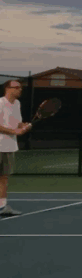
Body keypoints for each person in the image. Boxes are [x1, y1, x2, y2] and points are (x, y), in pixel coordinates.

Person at [0, 79, 31, 217]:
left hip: (9, 146)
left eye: (20, 87)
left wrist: (23, 126)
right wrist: (14, 132)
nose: (20, 89)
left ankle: (2, 207)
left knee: (4, 178)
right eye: (16, 87)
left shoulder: (17, 104)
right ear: (8, 88)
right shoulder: (0, 103)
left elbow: (16, 123)